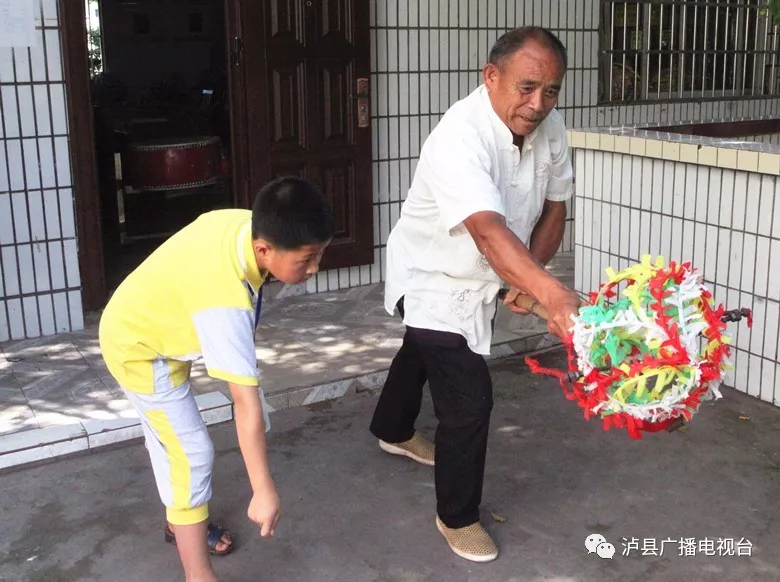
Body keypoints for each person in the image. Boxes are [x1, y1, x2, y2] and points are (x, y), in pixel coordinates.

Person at [369, 26, 581, 563]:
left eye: (552, 90)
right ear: (492, 77)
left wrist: (527, 275)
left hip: (490, 272)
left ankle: (391, 429)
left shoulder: (550, 128)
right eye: (527, 87)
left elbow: (555, 205)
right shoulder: (458, 137)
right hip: (432, 278)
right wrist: (550, 294)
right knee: (468, 399)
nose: (538, 104)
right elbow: (487, 230)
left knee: (422, 352)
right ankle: (457, 516)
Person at [99, 177, 333, 582]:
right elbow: (244, 402)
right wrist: (262, 489)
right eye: (307, 260)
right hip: (139, 349)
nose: (315, 269)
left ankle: (181, 520)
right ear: (265, 249)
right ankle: (198, 575)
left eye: (319, 256)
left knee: (170, 442)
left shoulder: (247, 226)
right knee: (190, 454)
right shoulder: (224, 301)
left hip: (158, 328)